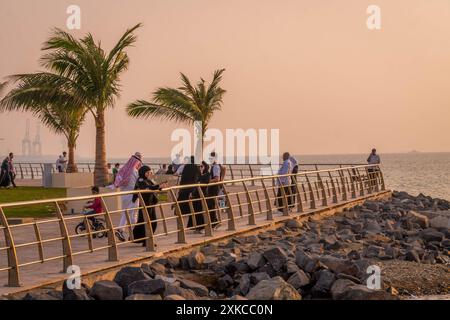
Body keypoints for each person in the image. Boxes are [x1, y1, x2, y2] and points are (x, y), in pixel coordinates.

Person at [131, 166, 166, 246]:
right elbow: (146, 187)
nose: (149, 174)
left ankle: (147, 240)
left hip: (151, 204)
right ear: (143, 172)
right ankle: (146, 241)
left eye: (150, 172)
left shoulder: (148, 180)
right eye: (148, 172)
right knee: (146, 223)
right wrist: (158, 186)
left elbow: (153, 187)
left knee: (153, 222)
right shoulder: (140, 180)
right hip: (145, 205)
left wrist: (160, 187)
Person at [114, 152, 143, 241]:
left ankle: (122, 230)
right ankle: (132, 233)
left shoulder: (123, 169)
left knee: (125, 213)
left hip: (124, 196)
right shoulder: (135, 171)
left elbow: (118, 183)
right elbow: (138, 183)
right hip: (132, 196)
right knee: (133, 215)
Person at [189, 161, 210, 232]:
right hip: (196, 195)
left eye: (202, 166)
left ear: (205, 167)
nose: (200, 168)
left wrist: (199, 183)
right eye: (199, 166)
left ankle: (201, 227)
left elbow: (205, 183)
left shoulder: (207, 174)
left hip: (203, 195)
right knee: (195, 210)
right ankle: (196, 226)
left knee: (201, 210)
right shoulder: (198, 175)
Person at [206, 152, 221, 229]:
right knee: (210, 204)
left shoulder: (215, 167)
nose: (209, 159)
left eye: (210, 158)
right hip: (213, 188)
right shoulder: (213, 166)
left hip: (214, 188)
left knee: (211, 204)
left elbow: (217, 179)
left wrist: (208, 182)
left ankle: (214, 222)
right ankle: (214, 221)